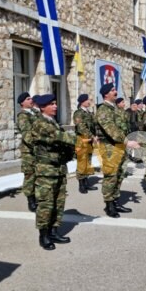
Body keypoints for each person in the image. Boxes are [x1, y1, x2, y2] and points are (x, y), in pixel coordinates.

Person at [28, 94, 77, 250]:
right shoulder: (40, 123)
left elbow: (63, 142)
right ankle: (44, 235)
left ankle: (54, 231)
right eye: (51, 104)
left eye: (56, 103)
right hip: (46, 170)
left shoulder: (54, 123)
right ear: (43, 107)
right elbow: (60, 137)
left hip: (59, 168)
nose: (55, 106)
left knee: (58, 201)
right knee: (46, 203)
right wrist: (80, 141)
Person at [96, 83, 140, 217]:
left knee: (119, 175)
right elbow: (111, 130)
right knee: (111, 176)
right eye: (113, 90)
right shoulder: (103, 110)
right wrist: (127, 142)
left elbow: (124, 126)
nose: (116, 92)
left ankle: (115, 201)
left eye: (115, 89)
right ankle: (109, 205)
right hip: (110, 147)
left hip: (120, 147)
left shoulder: (115, 109)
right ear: (106, 94)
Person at [16, 92, 38, 212]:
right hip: (29, 151)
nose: (31, 100)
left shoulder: (35, 113)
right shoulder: (23, 116)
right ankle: (31, 200)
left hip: (39, 150)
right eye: (28, 99)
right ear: (22, 103)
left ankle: (38, 197)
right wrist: (39, 145)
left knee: (39, 175)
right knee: (30, 175)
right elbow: (27, 135)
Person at [73, 94, 98, 194]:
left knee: (88, 161)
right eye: (87, 100)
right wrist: (92, 136)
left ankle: (86, 182)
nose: (89, 101)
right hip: (82, 140)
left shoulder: (89, 113)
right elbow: (81, 127)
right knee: (82, 162)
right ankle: (81, 184)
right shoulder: (78, 113)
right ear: (82, 101)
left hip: (89, 141)